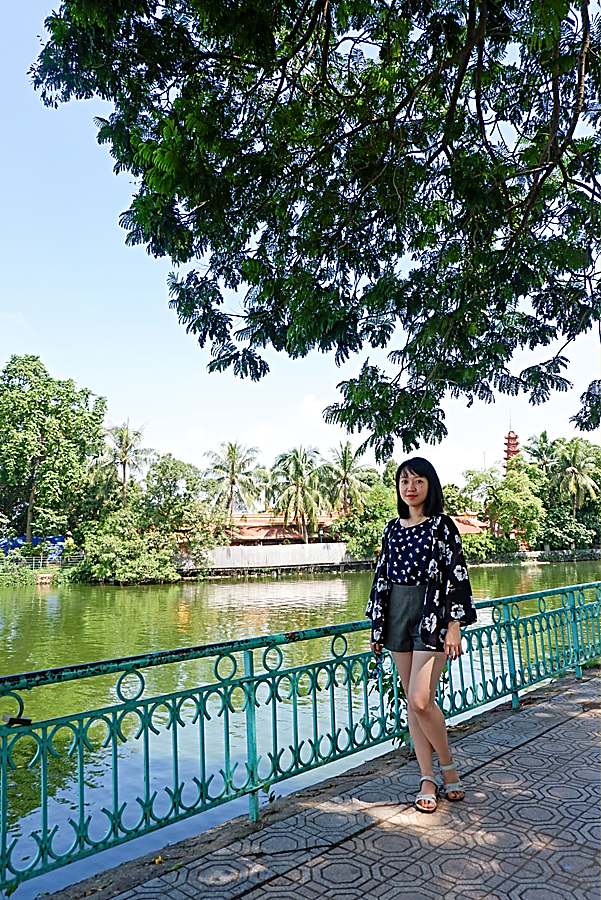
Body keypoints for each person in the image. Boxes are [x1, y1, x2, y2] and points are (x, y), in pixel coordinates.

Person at [365, 456, 477, 813]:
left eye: (417, 481)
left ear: (430, 485)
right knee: (412, 704)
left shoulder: (442, 526)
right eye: (404, 482)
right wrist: (377, 624)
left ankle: (448, 765)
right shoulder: (392, 528)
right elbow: (381, 576)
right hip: (397, 612)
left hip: (432, 614)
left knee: (420, 699)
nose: (410, 488)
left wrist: (454, 625)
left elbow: (456, 574)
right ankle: (427, 777)